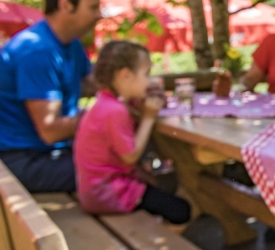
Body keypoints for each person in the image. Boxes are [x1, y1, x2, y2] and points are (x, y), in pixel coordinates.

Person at [0, 0, 102, 193]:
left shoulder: (70, 44)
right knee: (117, 168)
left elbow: (100, 82)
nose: (99, 15)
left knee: (124, 157)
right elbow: (50, 131)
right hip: (24, 161)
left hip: (47, 154)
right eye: (93, 7)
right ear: (66, 5)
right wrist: (104, 116)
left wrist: (134, 83)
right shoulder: (37, 51)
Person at [74, 41, 191, 224]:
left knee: (160, 189)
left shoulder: (106, 102)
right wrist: (149, 118)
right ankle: (157, 242)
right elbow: (131, 156)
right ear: (125, 76)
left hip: (96, 191)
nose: (150, 81)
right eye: (146, 74)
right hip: (110, 194)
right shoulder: (115, 111)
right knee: (182, 210)